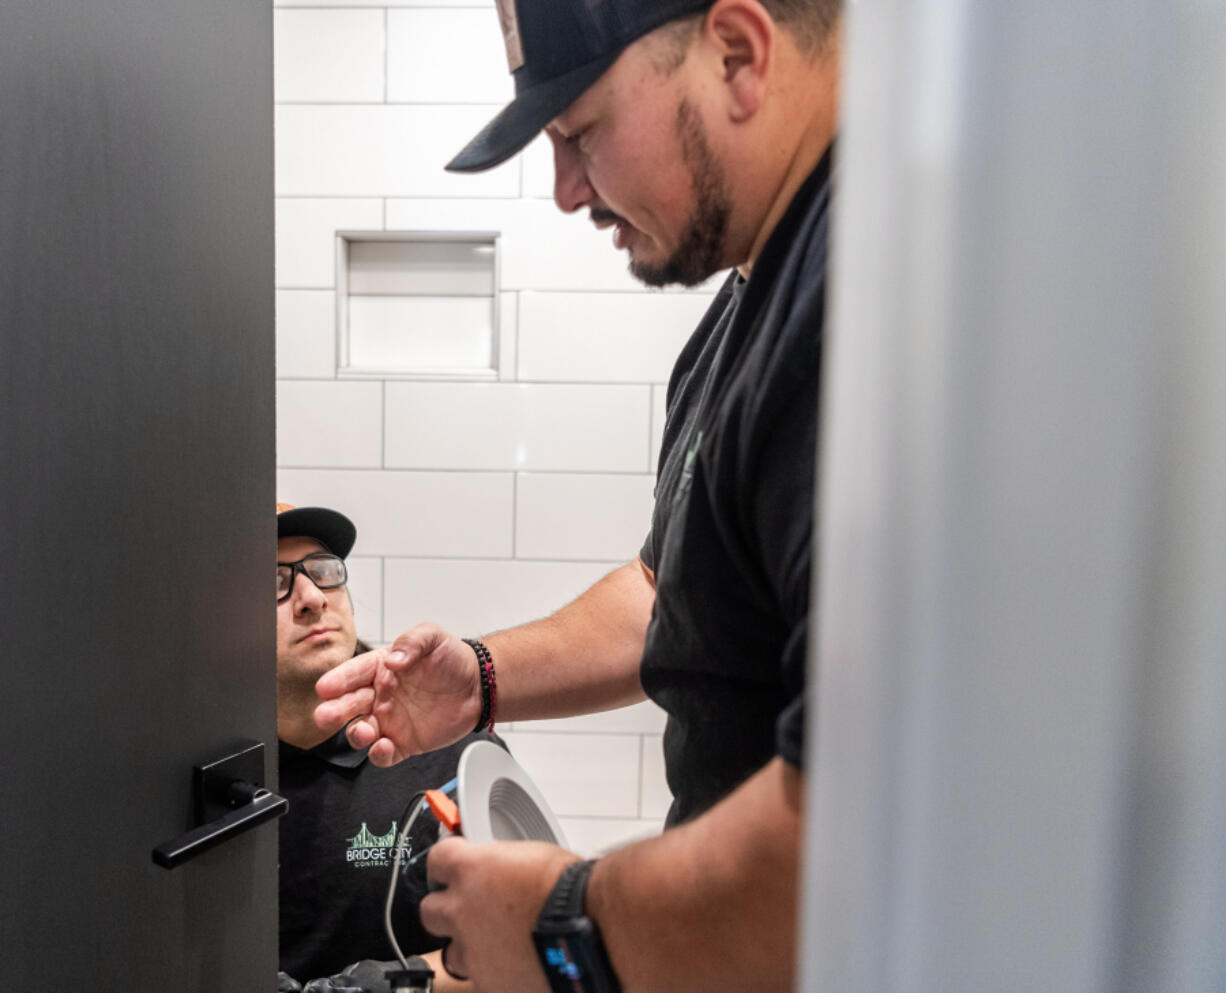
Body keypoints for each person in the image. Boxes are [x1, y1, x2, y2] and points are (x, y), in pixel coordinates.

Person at [314, 0, 841, 989]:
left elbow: (861, 844)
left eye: (580, 133)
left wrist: (563, 922)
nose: (562, 192)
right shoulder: (737, 323)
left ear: (736, 53)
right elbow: (666, 592)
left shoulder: (862, 307)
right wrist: (481, 678)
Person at [275, 502, 497, 991]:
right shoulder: (202, 766)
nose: (311, 596)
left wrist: (388, 986)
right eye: (272, 581)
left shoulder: (446, 738)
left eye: (324, 571)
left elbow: (523, 935)